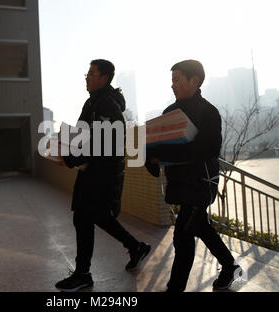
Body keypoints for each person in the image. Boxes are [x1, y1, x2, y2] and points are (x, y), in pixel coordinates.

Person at [145, 59, 242, 292]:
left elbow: (207, 149)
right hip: (179, 184)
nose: (173, 85)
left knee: (182, 236)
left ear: (194, 81)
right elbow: (156, 146)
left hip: (201, 183)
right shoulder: (169, 113)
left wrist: (166, 153)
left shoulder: (208, 112)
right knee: (199, 226)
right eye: (172, 81)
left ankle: (175, 288)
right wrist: (151, 157)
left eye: (177, 80)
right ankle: (230, 266)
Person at [55, 59, 151, 292]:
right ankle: (134, 246)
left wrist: (69, 158)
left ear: (104, 78)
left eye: (91, 73)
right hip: (92, 170)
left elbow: (100, 143)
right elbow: (84, 136)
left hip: (103, 173)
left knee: (86, 217)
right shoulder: (94, 101)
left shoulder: (107, 105)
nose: (87, 77)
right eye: (86, 74)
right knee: (92, 216)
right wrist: (64, 144)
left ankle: (83, 273)